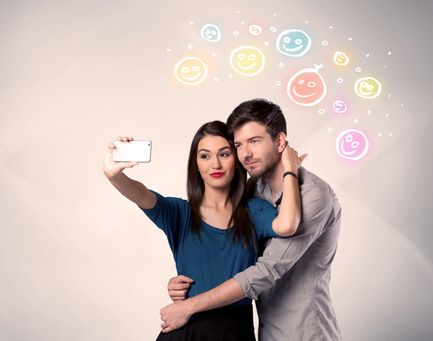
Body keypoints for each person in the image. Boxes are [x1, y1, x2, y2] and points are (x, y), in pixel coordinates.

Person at [102, 120, 305, 340]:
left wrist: (290, 171)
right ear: (196, 165)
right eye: (205, 156)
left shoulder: (253, 210)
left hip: (236, 333)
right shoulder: (180, 213)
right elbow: (140, 194)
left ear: (236, 161)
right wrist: (114, 175)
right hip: (186, 332)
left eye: (224, 154)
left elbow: (287, 225)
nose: (215, 164)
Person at [161, 99, 342, 340]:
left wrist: (190, 306)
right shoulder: (254, 189)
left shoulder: (313, 195)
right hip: (264, 331)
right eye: (238, 145)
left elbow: (265, 271)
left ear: (280, 142)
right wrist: (190, 283)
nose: (245, 154)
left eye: (254, 141)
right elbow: (231, 250)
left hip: (303, 331)